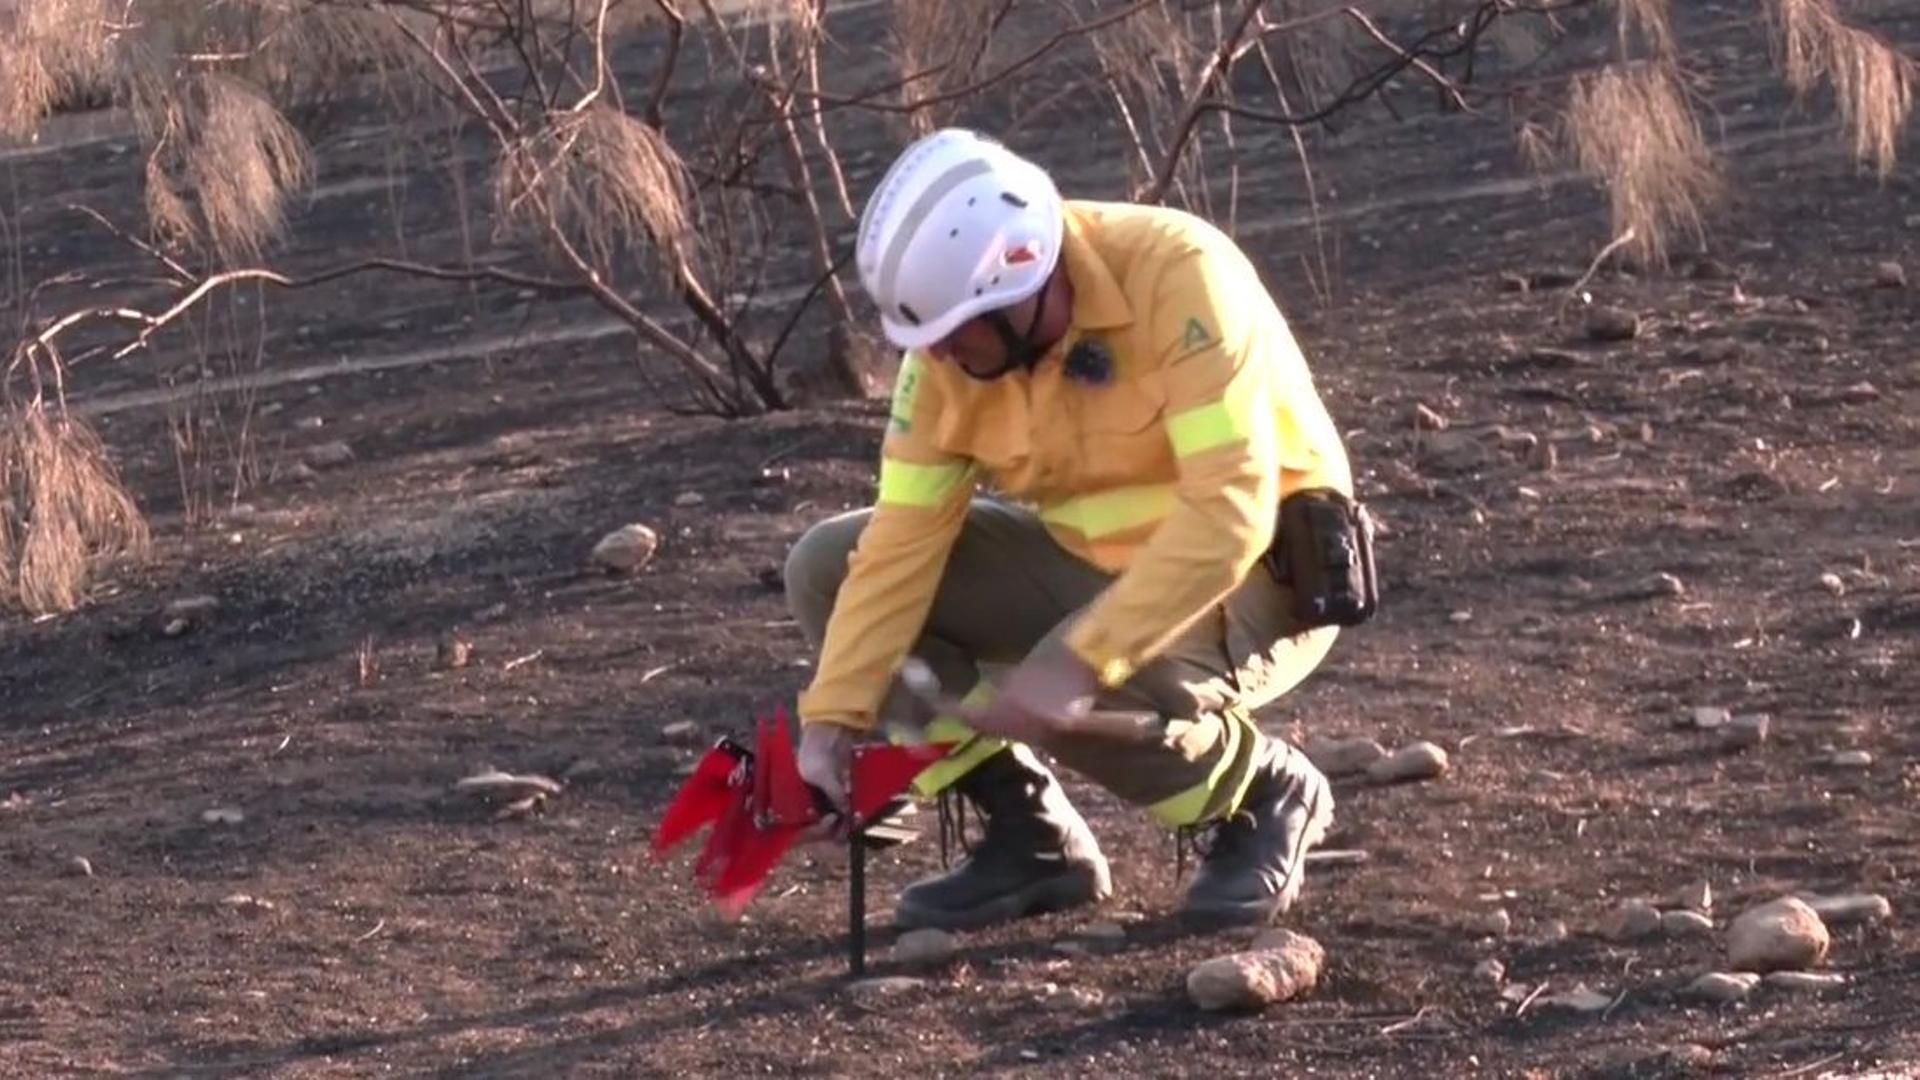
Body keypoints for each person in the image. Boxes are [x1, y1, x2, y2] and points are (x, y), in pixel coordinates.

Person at [784, 127, 1360, 932]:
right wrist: (831, 725)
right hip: (1087, 567)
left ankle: (1259, 790)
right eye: (926, 339)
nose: (937, 357)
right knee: (828, 567)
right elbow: (896, 551)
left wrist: (1075, 662)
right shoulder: (950, 352)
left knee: (1093, 673)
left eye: (957, 334)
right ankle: (1031, 838)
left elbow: (1230, 509)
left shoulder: (1180, 275)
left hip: (1258, 573)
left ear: (1020, 280)